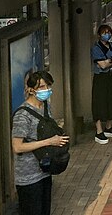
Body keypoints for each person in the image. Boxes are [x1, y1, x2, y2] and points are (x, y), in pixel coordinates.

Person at [11, 71, 69, 215]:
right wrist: (49, 141)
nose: (47, 90)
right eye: (42, 87)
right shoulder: (22, 115)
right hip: (28, 177)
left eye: (48, 86)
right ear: (31, 89)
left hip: (44, 171)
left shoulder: (45, 107)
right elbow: (17, 146)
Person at [91, 24, 112, 144]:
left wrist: (110, 61)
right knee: (99, 103)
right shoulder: (96, 48)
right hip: (101, 78)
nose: (107, 35)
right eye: (104, 33)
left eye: (109, 32)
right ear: (99, 35)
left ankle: (108, 127)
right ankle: (99, 131)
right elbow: (102, 65)